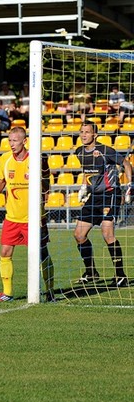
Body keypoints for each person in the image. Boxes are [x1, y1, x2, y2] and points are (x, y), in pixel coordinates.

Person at [0, 126, 55, 302]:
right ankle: (7, 293)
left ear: (24, 141)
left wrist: (45, 178)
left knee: (42, 253)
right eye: (9, 140)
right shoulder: (4, 159)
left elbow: (46, 185)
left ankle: (50, 291)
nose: (11, 144)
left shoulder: (35, 160)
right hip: (12, 217)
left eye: (15, 141)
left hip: (33, 219)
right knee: (5, 252)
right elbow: (0, 182)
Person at [73, 121, 131, 288]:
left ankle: (120, 276)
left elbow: (126, 163)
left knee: (107, 233)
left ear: (95, 135)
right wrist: (84, 186)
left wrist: (129, 186)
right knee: (79, 234)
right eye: (81, 131)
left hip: (110, 193)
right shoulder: (79, 152)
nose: (83, 134)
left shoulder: (106, 151)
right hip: (94, 197)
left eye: (87, 132)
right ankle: (91, 272)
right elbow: (87, 171)